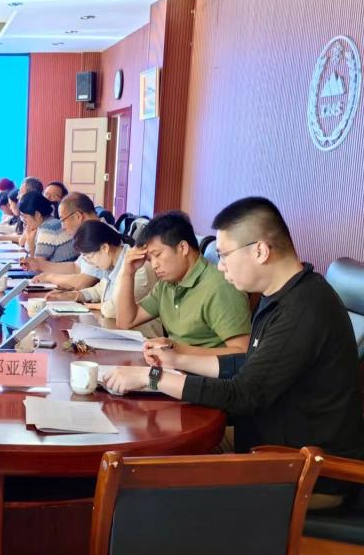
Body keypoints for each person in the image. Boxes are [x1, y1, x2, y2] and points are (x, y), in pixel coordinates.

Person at [105, 198, 364, 504]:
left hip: (302, 471)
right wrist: (177, 359)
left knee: (150, 487)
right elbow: (249, 363)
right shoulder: (280, 295)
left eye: (225, 254)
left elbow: (242, 395)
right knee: (150, 457)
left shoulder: (304, 309)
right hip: (266, 449)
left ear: (260, 251)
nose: (220, 265)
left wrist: (153, 378)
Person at [115, 210, 251, 354]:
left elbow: (241, 352)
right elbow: (125, 321)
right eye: (149, 260)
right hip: (173, 363)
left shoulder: (220, 287)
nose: (154, 265)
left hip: (201, 368)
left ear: (183, 248)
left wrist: (176, 350)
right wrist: (128, 272)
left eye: (157, 255)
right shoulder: (166, 284)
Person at [47, 220, 154, 321]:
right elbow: (100, 290)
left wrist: (94, 306)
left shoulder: (138, 267)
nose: (89, 263)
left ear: (104, 248)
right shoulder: (112, 263)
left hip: (140, 333)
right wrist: (74, 295)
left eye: (89, 257)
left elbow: (114, 309)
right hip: (114, 328)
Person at [25, 193, 104, 289]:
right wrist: (39, 264)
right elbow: (76, 267)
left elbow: (84, 282)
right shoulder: (91, 232)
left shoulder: (101, 235)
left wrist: (50, 277)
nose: (62, 227)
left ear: (78, 216)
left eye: (63, 220)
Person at [17, 191, 77, 263]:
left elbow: (37, 265)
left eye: (25, 217)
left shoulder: (48, 229)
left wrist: (31, 244)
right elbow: (22, 243)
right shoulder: (52, 222)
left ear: (37, 215)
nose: (23, 220)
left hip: (59, 269)